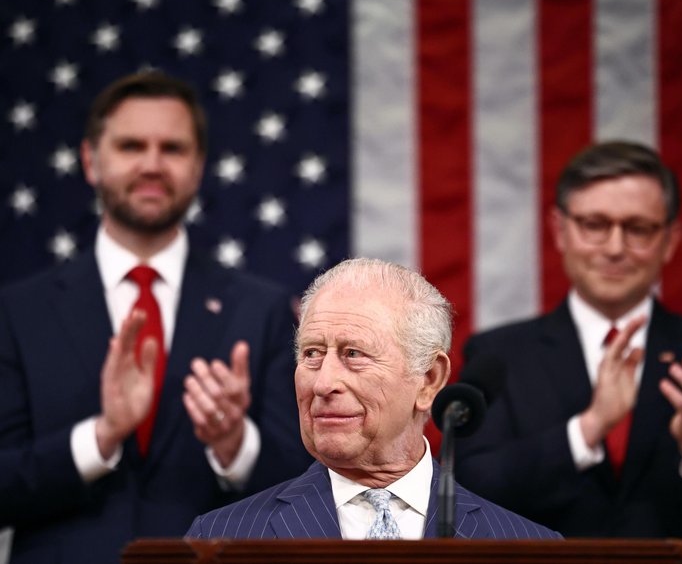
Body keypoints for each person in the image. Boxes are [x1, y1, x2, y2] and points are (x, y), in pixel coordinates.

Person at [0, 71, 311, 564]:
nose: (151, 165)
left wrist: (234, 445)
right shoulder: (18, 312)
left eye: (172, 148)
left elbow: (304, 489)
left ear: (198, 166)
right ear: (90, 161)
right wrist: (101, 436)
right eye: (130, 146)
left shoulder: (262, 308)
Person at [454, 141, 682, 541]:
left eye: (638, 229)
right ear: (560, 231)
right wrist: (588, 429)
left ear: (671, 240)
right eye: (595, 225)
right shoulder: (498, 355)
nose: (616, 248)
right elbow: (466, 496)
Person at [186, 258, 561, 540]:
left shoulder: (527, 549)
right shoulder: (221, 540)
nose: (323, 383)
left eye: (353, 354)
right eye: (312, 353)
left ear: (429, 380)